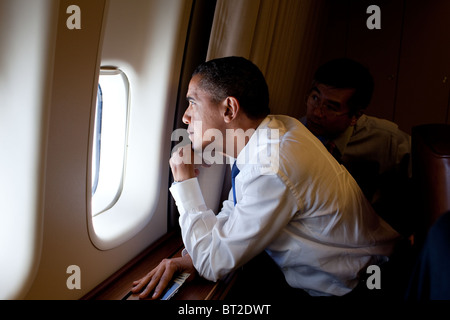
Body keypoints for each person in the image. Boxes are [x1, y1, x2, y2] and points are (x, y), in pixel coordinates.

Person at [131, 56, 399, 299]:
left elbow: (213, 264)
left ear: (229, 109)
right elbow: (235, 210)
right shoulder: (271, 132)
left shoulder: (273, 164)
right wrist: (191, 258)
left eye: (192, 103)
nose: (185, 117)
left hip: (359, 286)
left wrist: (184, 183)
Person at [300, 58, 412, 236]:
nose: (316, 112)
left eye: (330, 107)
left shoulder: (386, 139)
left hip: (365, 236)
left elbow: (429, 181)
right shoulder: (294, 134)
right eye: (314, 98)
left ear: (355, 116)